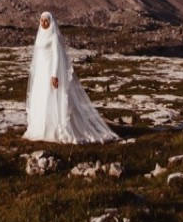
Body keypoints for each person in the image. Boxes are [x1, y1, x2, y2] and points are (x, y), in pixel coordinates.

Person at [24, 12, 118, 143]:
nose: (44, 23)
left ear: (51, 22)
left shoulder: (54, 37)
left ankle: (55, 129)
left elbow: (57, 56)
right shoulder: (40, 36)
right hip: (41, 73)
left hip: (50, 71)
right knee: (41, 98)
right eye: (42, 20)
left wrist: (54, 75)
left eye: (47, 21)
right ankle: (40, 128)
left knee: (50, 97)